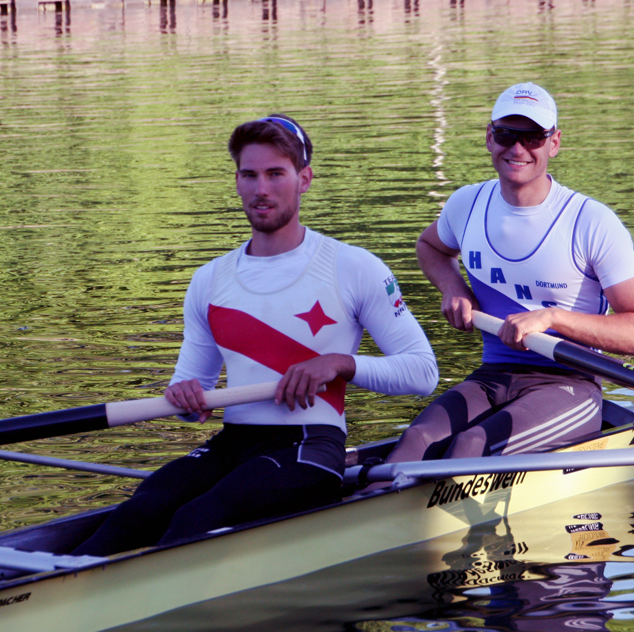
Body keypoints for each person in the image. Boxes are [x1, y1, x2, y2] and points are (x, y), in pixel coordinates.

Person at [75, 115, 438, 555]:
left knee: (194, 520)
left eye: (275, 174)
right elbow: (192, 398)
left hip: (310, 447)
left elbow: (422, 373)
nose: (260, 189)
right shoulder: (209, 280)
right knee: (141, 510)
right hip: (234, 444)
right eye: (249, 175)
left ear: (304, 179)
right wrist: (185, 398)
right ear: (237, 180)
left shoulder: (355, 267)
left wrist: (340, 363)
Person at [377, 82, 634, 468]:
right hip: (492, 375)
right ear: (489, 136)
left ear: (554, 143)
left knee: (472, 445)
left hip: (569, 385)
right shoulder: (466, 203)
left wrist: (552, 318)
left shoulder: (591, 222)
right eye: (506, 134)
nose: (517, 149)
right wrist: (453, 287)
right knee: (416, 439)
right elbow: (430, 247)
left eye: (532, 137)